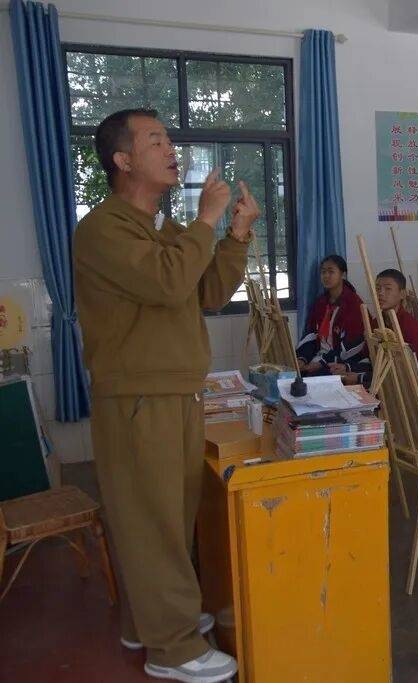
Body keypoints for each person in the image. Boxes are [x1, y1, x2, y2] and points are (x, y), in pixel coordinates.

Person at [73, 109, 257, 682]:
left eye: (170, 140)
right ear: (123, 160)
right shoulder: (104, 229)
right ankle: (172, 649)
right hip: (139, 397)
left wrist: (235, 234)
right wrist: (207, 218)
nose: (171, 149)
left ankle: (148, 621)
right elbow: (167, 281)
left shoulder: (163, 228)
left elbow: (207, 291)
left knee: (169, 520)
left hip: (175, 392)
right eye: (155, 140)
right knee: (152, 522)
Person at [295, 255, 367, 381]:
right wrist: (303, 358)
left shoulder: (353, 304)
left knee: (311, 380)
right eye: (323, 272)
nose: (326, 276)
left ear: (343, 275)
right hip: (319, 355)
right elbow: (311, 334)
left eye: (331, 272)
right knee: (294, 375)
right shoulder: (321, 302)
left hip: (340, 361)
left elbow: (352, 344)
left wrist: (321, 363)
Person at [366, 268, 418, 394]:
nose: (380, 293)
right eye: (377, 288)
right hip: (385, 379)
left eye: (388, 288)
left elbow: (410, 371)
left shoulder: (410, 326)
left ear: (402, 294)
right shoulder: (376, 322)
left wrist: (362, 377)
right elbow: (369, 355)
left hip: (410, 389)